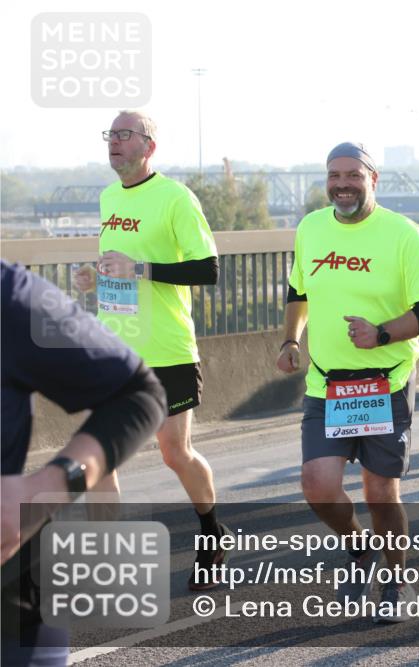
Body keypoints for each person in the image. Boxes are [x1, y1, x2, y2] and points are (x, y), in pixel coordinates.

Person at [277, 142, 419, 623]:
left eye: (353, 174)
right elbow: (298, 290)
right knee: (318, 485)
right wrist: (291, 339)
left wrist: (383, 334)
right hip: (326, 383)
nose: (342, 184)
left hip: (384, 382)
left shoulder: (401, 233)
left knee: (380, 494)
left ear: (374, 179)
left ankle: (396, 577)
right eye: (334, 175)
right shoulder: (311, 227)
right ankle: (359, 549)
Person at [72, 110, 230, 591]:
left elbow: (208, 270)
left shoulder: (176, 198)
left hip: (168, 350)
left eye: (124, 135)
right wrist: (93, 276)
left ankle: (212, 533)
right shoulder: (108, 197)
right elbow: (117, 265)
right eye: (110, 135)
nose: (114, 142)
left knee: (174, 453)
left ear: (148, 146)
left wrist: (140, 270)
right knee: (98, 457)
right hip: (114, 350)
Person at [2, 261, 166, 667]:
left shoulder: (10, 295)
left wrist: (45, 490)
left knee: (177, 452)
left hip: (11, 622)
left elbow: (138, 396)